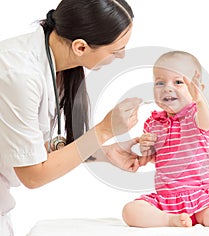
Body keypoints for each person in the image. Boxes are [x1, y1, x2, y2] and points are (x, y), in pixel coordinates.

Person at [0, 0, 143, 235]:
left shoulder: (55, 65)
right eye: (117, 50)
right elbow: (33, 175)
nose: (122, 57)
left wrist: (103, 152)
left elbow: (28, 147)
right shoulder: (19, 74)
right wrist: (104, 130)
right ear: (80, 47)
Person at [122, 51, 209, 228]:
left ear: (196, 88)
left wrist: (200, 99)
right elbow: (154, 157)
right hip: (167, 200)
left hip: (201, 197)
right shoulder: (154, 122)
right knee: (130, 211)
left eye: (178, 82)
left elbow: (208, 121)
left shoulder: (196, 114)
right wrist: (146, 148)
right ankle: (170, 220)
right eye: (160, 82)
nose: (167, 88)